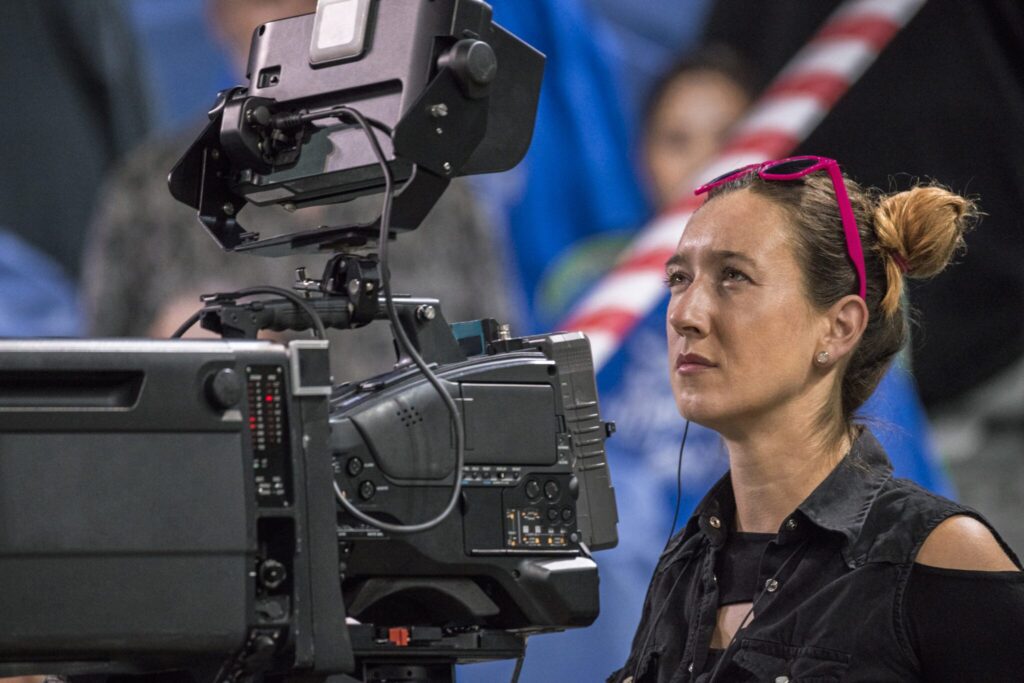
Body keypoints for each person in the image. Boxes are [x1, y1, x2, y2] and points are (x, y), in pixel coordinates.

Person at [610, 156, 1024, 682]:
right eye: (678, 277)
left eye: (733, 276)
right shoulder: (684, 563)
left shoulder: (938, 555)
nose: (683, 314)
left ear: (838, 328)